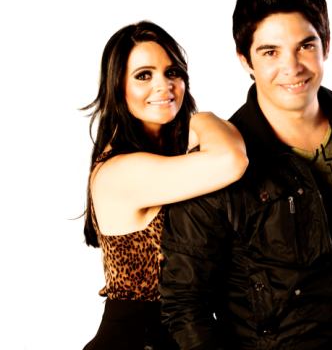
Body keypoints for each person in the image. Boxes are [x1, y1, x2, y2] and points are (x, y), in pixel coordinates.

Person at [159, 0, 332, 350]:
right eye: (270, 52)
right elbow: (185, 305)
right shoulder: (215, 164)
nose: (292, 67)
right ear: (245, 60)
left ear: (326, 45)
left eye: (305, 46)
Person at [81, 20, 248, 350]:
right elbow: (231, 159)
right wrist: (201, 118)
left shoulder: (167, 161)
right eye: (144, 75)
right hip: (136, 338)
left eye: (172, 73)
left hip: (181, 333)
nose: (164, 85)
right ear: (117, 87)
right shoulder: (119, 170)